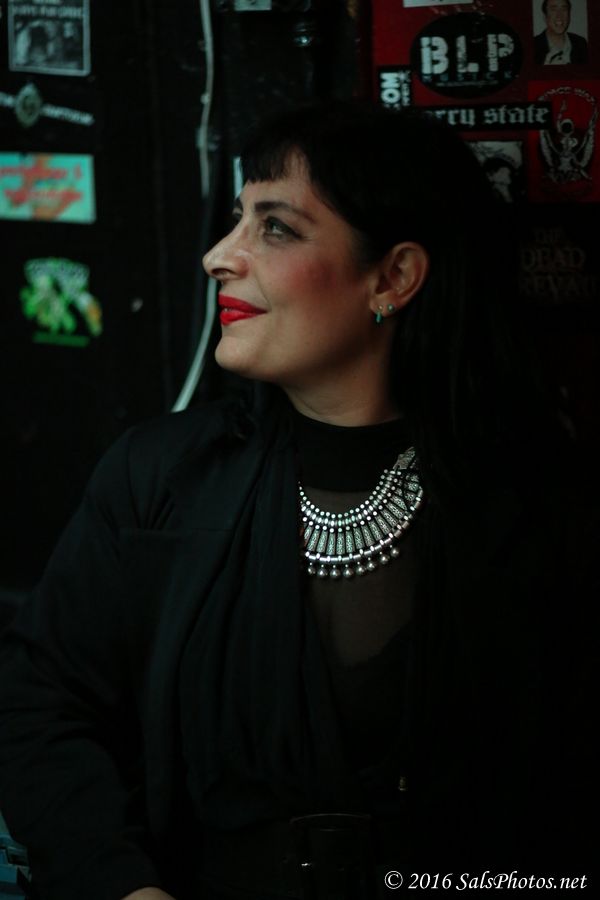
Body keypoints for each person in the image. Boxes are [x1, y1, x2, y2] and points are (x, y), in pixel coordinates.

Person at [0, 102, 596, 900]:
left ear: (394, 276)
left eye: (275, 228)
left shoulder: (541, 504)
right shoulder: (159, 478)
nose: (219, 256)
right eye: (237, 219)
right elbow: (36, 705)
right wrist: (125, 889)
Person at [534, 0, 588, 65]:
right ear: (545, 17)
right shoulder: (533, 46)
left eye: (564, 9)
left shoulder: (581, 44)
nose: (559, 15)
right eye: (553, 9)